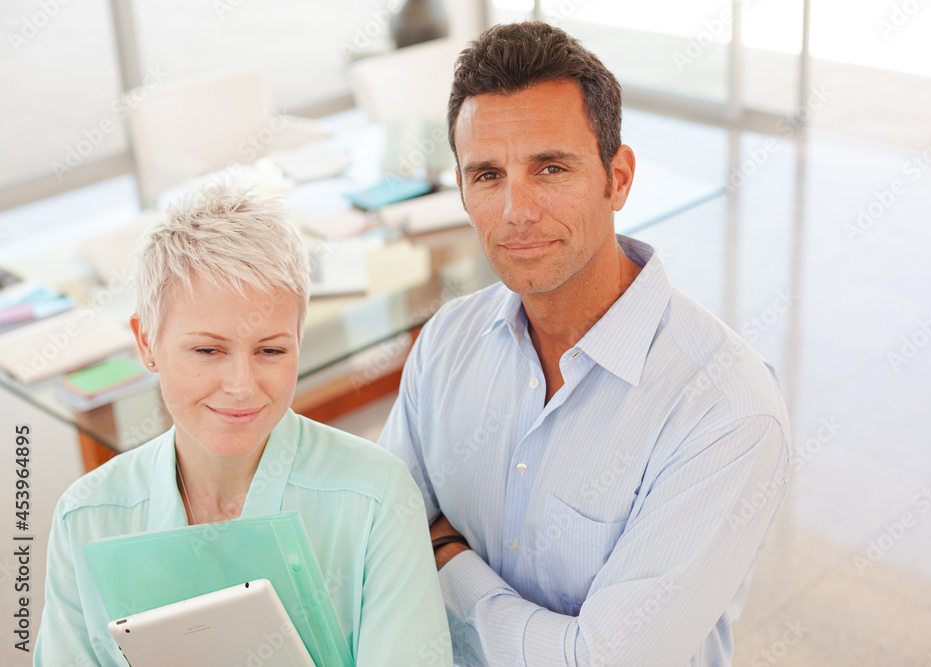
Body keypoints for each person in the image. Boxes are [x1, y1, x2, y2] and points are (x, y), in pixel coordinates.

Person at [378, 21, 791, 667]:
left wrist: (446, 559)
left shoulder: (726, 412)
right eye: (487, 175)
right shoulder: (446, 342)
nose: (517, 209)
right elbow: (379, 543)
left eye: (551, 167)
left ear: (617, 177)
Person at [36, 185, 451, 666]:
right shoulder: (86, 518)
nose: (241, 385)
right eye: (208, 350)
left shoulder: (376, 499)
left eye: (271, 351)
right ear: (146, 341)